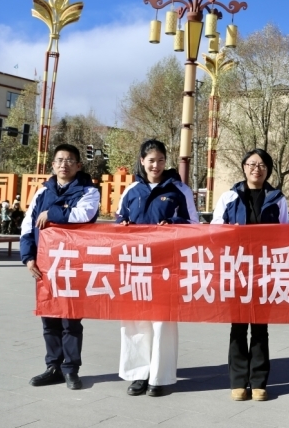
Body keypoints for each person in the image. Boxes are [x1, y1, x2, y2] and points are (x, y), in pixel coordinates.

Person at [116, 139, 199, 397]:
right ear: (142, 161)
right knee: (136, 320)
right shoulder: (132, 191)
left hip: (166, 265)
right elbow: (119, 221)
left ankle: (159, 377)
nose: (156, 165)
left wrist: (173, 223)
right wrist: (123, 226)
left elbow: (194, 223)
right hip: (136, 263)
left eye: (161, 160)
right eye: (151, 160)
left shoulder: (179, 190)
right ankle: (137, 375)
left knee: (163, 321)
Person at [211, 148, 289, 402]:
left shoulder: (277, 199)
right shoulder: (229, 197)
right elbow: (214, 230)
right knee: (238, 326)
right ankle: (237, 381)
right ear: (244, 167)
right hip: (236, 269)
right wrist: (229, 232)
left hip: (265, 270)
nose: (257, 169)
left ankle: (258, 382)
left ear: (268, 169)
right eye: (252, 164)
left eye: (262, 165)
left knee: (260, 327)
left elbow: (286, 233)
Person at [20, 144, 100, 390]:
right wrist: (28, 256)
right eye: (60, 160)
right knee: (49, 318)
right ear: (53, 165)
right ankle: (53, 366)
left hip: (73, 265)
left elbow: (84, 215)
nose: (64, 164)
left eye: (69, 160)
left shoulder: (89, 191)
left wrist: (52, 212)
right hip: (45, 265)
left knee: (70, 320)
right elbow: (27, 225)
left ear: (78, 165)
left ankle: (71, 369)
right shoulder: (43, 191)